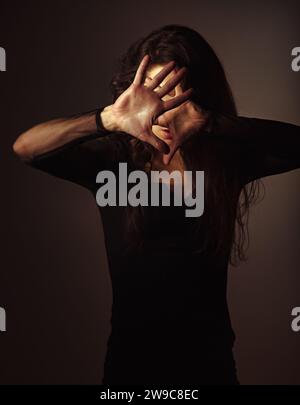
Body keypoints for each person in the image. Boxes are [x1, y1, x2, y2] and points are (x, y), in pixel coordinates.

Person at [12, 24, 300, 385]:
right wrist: (106, 119)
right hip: (130, 366)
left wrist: (214, 124)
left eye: (174, 91)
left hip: (209, 367)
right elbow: (26, 148)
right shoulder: (113, 162)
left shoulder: (224, 161)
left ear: (200, 95)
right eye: (152, 90)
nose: (163, 107)